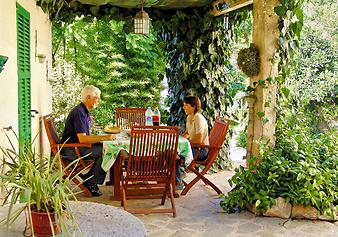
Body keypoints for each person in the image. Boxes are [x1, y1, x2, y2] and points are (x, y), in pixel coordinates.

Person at [60, 85, 115, 196]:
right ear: (88, 97)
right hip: (72, 151)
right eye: (97, 97)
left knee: (105, 148)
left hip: (76, 147)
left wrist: (100, 140)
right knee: (108, 151)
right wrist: (105, 137)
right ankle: (91, 181)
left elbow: (84, 136)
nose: (99, 100)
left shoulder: (83, 110)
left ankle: (90, 177)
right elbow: (83, 138)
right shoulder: (79, 112)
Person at [177, 95, 209, 190]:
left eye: (186, 105)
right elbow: (187, 133)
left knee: (176, 156)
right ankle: (176, 179)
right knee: (172, 152)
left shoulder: (199, 118)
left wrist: (185, 144)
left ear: (194, 106)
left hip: (201, 150)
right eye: (184, 105)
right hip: (193, 147)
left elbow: (199, 141)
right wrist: (178, 141)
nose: (184, 107)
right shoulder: (189, 117)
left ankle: (178, 182)